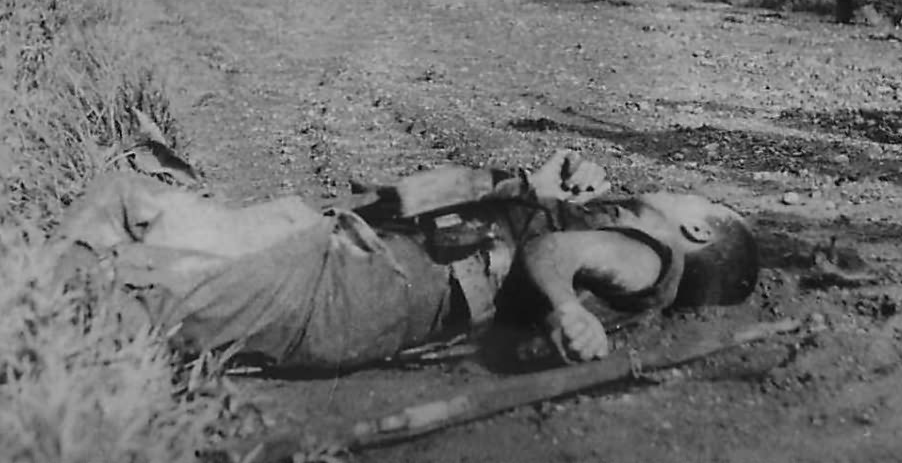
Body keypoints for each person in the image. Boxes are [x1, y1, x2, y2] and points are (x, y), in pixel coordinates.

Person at [57, 152, 759, 372]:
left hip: (356, 283)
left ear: (694, 226)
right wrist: (530, 185)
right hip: (351, 251)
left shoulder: (648, 260)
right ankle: (35, 301)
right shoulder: (621, 236)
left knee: (131, 302)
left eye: (685, 196)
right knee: (129, 207)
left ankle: (35, 336)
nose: (666, 191)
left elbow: (551, 252)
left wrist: (568, 305)